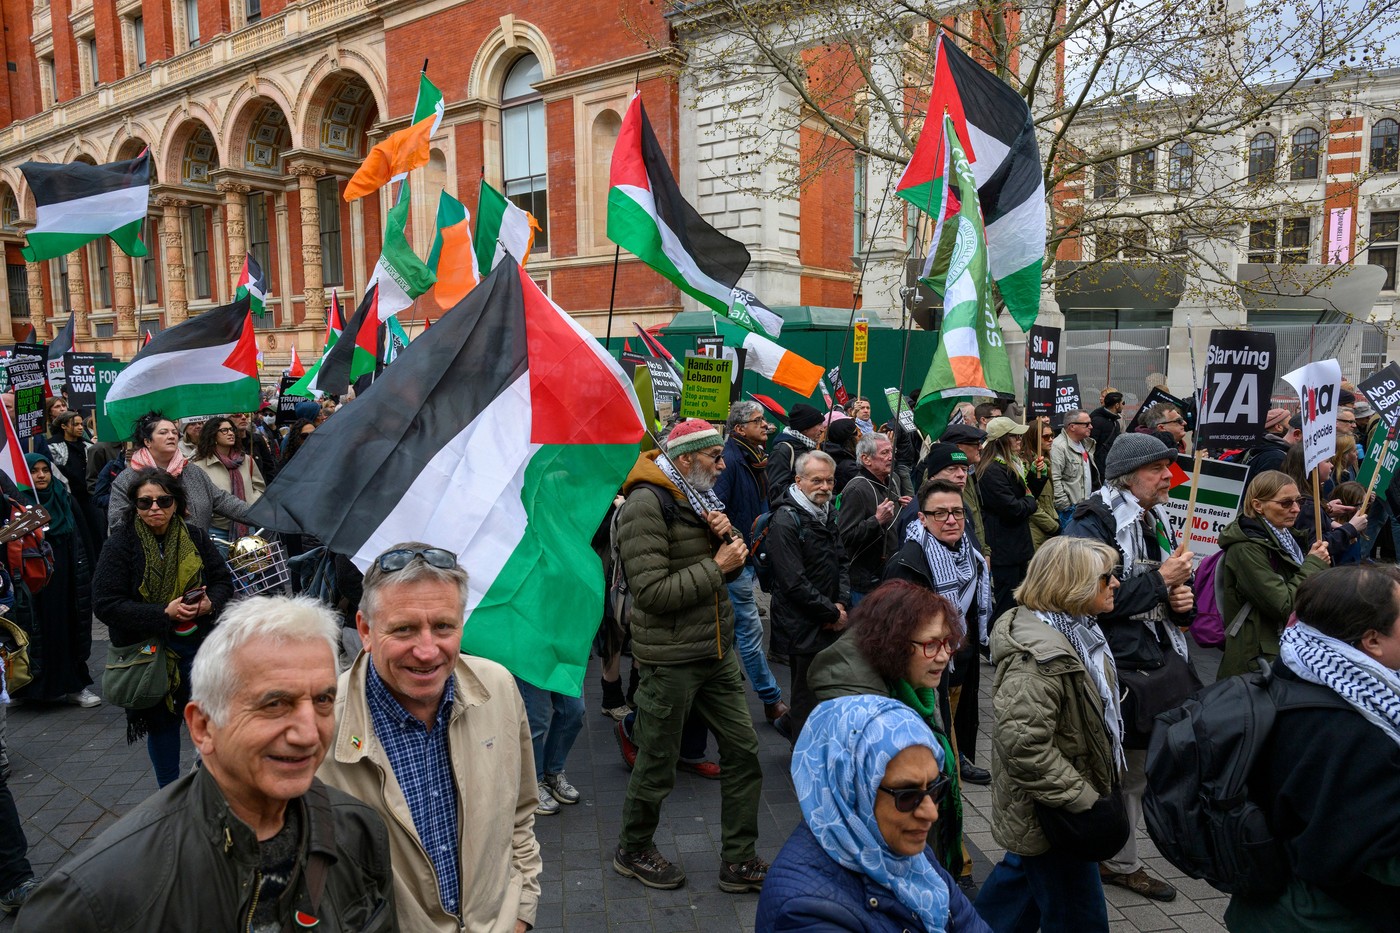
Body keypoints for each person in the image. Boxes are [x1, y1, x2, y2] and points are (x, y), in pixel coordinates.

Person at [19, 595, 399, 931]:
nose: (307, 733)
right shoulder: (101, 895)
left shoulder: (359, 831)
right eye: (274, 704)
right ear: (202, 726)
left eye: (322, 700)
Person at [316, 544, 541, 931]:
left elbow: (520, 813)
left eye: (443, 627)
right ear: (366, 630)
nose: (426, 651)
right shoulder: (319, 727)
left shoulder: (499, 688)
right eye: (404, 629)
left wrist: (521, 911)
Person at [609, 421, 766, 893]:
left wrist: (726, 538)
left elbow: (734, 556)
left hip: (715, 652)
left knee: (743, 751)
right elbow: (652, 593)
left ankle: (738, 859)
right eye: (714, 456)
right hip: (672, 658)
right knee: (657, 761)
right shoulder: (645, 506)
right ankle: (633, 848)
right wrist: (717, 565)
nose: (723, 465)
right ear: (684, 461)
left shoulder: (700, 501)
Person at [1222, 566, 1400, 932]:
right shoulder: (1363, 732)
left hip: (1268, 904)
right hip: (1324, 917)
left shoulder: (1293, 669)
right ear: (1372, 641)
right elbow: (1379, 857)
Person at [1064, 432, 1194, 902]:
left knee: (1133, 771)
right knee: (1114, 770)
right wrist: (1162, 582)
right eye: (1159, 469)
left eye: (1169, 468)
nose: (1168, 478)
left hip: (1150, 661)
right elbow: (1085, 598)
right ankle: (1110, 860)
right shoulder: (1091, 520)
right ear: (1128, 474)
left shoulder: (1154, 516)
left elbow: (1172, 600)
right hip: (1109, 665)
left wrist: (1181, 602)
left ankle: (1117, 858)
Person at [973, 537, 1124, 933]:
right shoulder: (1037, 661)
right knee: (1081, 919)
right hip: (1056, 811)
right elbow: (1024, 747)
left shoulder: (1080, 633)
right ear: (1071, 586)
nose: (1116, 584)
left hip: (1050, 811)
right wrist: (1085, 799)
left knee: (1018, 892)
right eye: (1106, 577)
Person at [755, 696, 991, 933]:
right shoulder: (805, 911)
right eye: (907, 795)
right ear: (852, 790)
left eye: (935, 787)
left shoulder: (902, 850)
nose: (931, 813)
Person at [806, 581, 968, 875]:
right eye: (931, 644)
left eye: (947, 642)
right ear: (895, 643)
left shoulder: (915, 680)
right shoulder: (859, 705)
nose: (944, 656)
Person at [92, 468, 234, 787]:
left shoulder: (195, 536)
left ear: (176, 503)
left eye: (163, 500)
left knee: (209, 720)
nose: (154, 508)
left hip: (198, 648)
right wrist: (163, 612)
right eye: (145, 503)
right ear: (135, 506)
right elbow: (105, 603)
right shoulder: (121, 545)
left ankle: (212, 788)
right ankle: (169, 795)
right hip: (151, 654)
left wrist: (211, 602)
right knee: (163, 727)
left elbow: (223, 580)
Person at [886, 479, 993, 787]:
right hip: (923, 678)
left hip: (959, 665)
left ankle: (955, 766)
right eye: (940, 513)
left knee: (950, 734)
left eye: (957, 512)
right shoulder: (908, 563)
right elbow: (894, 635)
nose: (951, 520)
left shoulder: (969, 558)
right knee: (933, 750)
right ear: (922, 518)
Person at [1216, 470, 1331, 679]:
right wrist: (1314, 563)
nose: (1296, 509)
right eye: (1286, 503)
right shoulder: (1246, 549)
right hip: (1257, 657)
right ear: (1258, 505)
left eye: (1299, 501)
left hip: (1278, 646)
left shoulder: (1284, 536)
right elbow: (1283, 605)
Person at [713, 401, 787, 726]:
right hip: (736, 562)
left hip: (750, 557)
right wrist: (736, 545)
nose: (766, 426)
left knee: (728, 632)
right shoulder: (730, 461)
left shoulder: (755, 459)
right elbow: (717, 511)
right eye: (758, 421)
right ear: (740, 428)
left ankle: (722, 685)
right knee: (751, 631)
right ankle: (771, 700)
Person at [768, 450, 850, 737]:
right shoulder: (785, 520)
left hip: (828, 616)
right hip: (801, 623)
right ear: (798, 480)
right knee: (805, 692)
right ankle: (801, 752)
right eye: (817, 481)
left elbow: (841, 561)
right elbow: (793, 581)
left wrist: (840, 603)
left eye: (829, 481)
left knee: (826, 686)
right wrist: (830, 612)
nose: (825, 487)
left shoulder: (828, 513)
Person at [13, 452, 97, 708]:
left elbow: (84, 536)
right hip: (32, 584)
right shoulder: (17, 504)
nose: (40, 475)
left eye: (45, 470)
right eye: (34, 471)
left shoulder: (65, 499)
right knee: (34, 632)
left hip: (66, 580)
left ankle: (73, 686)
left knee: (68, 628)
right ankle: (28, 689)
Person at [106, 411, 253, 534]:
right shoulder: (128, 478)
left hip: (196, 555)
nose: (171, 436)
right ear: (147, 441)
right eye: (163, 432)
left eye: (174, 432)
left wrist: (260, 514)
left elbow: (222, 500)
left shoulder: (193, 472)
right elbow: (116, 523)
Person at [977, 416, 1049, 625]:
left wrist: (1038, 477)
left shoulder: (1013, 464)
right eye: (1015, 437)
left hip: (1016, 545)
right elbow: (1015, 508)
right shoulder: (991, 470)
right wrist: (1029, 500)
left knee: (1020, 599)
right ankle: (999, 643)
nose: (1020, 440)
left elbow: (1026, 497)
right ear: (1001, 440)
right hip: (1004, 547)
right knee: (1006, 604)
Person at [838, 433, 906, 605]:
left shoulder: (893, 480)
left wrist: (906, 507)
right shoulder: (856, 489)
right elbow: (845, 537)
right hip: (865, 583)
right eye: (884, 453)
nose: (891, 457)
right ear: (866, 459)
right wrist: (876, 520)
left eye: (892, 451)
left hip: (890, 575)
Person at [1279, 442, 1366, 561]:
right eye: (1327, 461)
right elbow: (1315, 548)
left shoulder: (1305, 500)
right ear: (1310, 467)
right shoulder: (1306, 506)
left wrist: (1326, 514)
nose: (1331, 465)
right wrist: (1351, 528)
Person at [192, 415, 266, 549]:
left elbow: (260, 488)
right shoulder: (199, 466)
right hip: (218, 531)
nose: (231, 433)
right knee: (223, 569)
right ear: (213, 435)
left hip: (247, 525)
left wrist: (251, 505)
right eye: (224, 430)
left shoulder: (246, 460)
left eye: (232, 429)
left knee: (251, 569)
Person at [46, 410, 101, 544]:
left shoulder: (88, 446)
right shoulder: (53, 446)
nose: (80, 427)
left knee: (97, 529)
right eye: (75, 424)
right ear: (64, 426)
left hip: (88, 496)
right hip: (68, 497)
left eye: (81, 424)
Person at [767, 403, 825, 506]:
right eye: (818, 424)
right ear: (805, 427)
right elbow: (777, 492)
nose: (822, 429)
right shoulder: (783, 450)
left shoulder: (811, 447)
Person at [1050, 410, 1099, 529]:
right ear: (1072, 426)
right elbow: (1055, 478)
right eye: (1086, 424)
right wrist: (1065, 506)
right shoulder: (1059, 447)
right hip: (1071, 510)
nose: (1091, 427)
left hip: (1086, 506)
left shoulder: (1087, 443)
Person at [1241, 408, 1295, 486]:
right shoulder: (1275, 457)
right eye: (1290, 425)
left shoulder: (1260, 445)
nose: (1292, 428)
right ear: (1279, 427)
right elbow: (1269, 490)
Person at [1089, 391, 1124, 480]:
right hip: (1099, 466)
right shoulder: (1097, 421)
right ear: (1117, 405)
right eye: (1122, 403)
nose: (1123, 405)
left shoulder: (1115, 421)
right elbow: (1090, 444)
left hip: (1109, 464)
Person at [822, 416, 861, 493]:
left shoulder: (839, 454)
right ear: (849, 439)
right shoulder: (848, 466)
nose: (860, 434)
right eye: (856, 432)